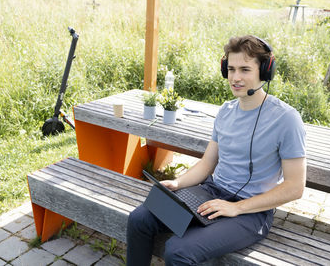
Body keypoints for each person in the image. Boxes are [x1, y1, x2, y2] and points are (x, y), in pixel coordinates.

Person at [126, 35, 306, 266]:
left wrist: (236, 208)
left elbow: (295, 187)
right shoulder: (226, 111)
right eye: (231, 69)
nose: (236, 77)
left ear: (264, 71)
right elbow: (207, 163)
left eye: (245, 69)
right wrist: (179, 183)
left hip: (252, 212)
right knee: (139, 219)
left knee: (178, 250)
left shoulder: (287, 119)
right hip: (211, 194)